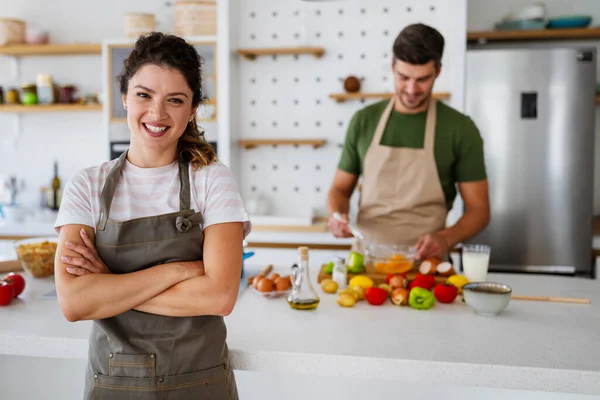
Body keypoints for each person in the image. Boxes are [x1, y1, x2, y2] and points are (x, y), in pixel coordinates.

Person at [54, 32, 250, 399]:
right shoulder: (87, 186)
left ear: (192, 109)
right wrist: (178, 271)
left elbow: (219, 297)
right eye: (144, 95)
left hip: (200, 381)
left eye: (175, 100)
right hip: (114, 383)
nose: (157, 114)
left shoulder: (212, 179)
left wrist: (110, 285)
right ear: (125, 97)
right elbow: (75, 302)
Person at [327, 23, 490, 261]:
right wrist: (336, 215)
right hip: (367, 262)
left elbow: (479, 210)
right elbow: (340, 189)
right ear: (392, 66)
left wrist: (446, 239)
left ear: (438, 71)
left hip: (428, 264)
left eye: (423, 79)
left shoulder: (460, 128)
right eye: (404, 77)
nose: (412, 89)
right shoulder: (364, 121)